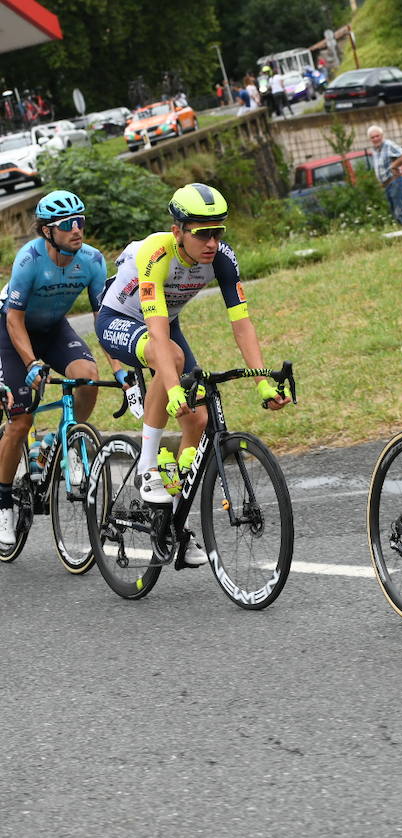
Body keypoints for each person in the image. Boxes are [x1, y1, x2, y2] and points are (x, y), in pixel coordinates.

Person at [94, 184, 290, 563]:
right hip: (121, 319)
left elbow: (242, 324)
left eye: (218, 232)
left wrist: (262, 380)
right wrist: (171, 389)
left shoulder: (222, 257)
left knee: (198, 418)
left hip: (168, 321)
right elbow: (156, 330)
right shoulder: (156, 254)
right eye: (202, 232)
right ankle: (149, 468)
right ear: (178, 231)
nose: (212, 242)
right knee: (171, 363)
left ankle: (170, 526)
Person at [0, 191, 127, 546]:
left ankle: (64, 442)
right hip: (13, 332)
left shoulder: (92, 261)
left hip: (54, 329)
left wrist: (118, 369)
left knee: (87, 376)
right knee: (21, 419)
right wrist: (31, 363)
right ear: (46, 231)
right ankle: (3, 502)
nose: (77, 230)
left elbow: (106, 320)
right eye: (68, 224)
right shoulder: (29, 259)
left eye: (81, 222)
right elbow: (14, 319)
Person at [368, 125, 402, 236]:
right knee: (395, 212)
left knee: (400, 210)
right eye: (372, 137)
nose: (375, 139)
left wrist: (394, 166)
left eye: (377, 136)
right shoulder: (374, 150)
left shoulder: (388, 145)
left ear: (382, 135)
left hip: (395, 181)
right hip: (387, 185)